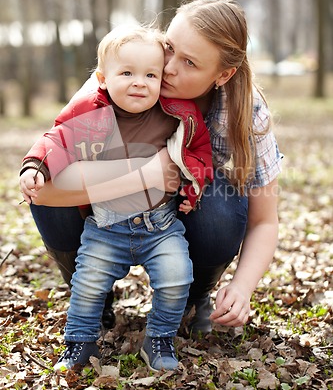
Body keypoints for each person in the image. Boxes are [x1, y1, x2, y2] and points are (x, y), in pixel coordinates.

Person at [20, 0, 282, 345]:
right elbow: (46, 191)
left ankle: (193, 297)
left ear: (223, 75)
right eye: (170, 47)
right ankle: (90, 297)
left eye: (189, 62)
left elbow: (265, 219)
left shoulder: (245, 112)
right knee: (46, 181)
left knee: (223, 204)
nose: (169, 67)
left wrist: (242, 287)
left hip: (182, 209)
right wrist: (148, 173)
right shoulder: (126, 75)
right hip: (107, 209)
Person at [20, 25, 214, 371]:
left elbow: (198, 152)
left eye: (150, 75)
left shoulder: (176, 115)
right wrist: (36, 166)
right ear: (103, 78)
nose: (140, 82)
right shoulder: (92, 113)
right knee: (88, 282)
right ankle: (80, 343)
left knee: (176, 275)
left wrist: (192, 186)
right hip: (106, 226)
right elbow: (57, 141)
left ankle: (159, 339)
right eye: (127, 73)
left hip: (161, 225)